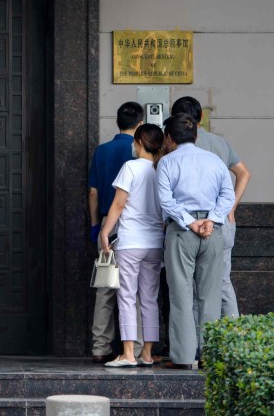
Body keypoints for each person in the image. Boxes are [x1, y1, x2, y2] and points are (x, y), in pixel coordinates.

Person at [156, 113, 235, 369]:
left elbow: (165, 201)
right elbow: (227, 195)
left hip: (182, 232)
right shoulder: (214, 161)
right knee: (210, 297)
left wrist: (190, 222)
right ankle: (208, 356)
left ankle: (183, 358)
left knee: (181, 296)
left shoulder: (167, 163)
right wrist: (211, 219)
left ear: (168, 137)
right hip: (212, 233)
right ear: (196, 135)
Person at [170, 96, 252, 318]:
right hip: (220, 222)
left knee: (194, 287)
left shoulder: (175, 147)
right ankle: (233, 339)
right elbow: (244, 173)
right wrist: (230, 208)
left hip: (188, 225)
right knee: (223, 282)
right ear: (202, 117)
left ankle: (198, 345)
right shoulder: (220, 142)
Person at [99, 123, 166, 368]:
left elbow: (118, 205)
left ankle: (128, 353)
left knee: (127, 296)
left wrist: (106, 231)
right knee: (150, 298)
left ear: (138, 142)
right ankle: (147, 353)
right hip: (155, 242)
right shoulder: (163, 168)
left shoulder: (130, 167)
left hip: (130, 241)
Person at [87, 101, 144, 363]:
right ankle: (139, 347)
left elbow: (94, 192)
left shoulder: (102, 151)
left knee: (105, 287)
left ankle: (100, 346)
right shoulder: (141, 152)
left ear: (117, 121)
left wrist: (95, 226)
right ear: (140, 123)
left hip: (106, 228)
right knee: (136, 289)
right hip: (135, 227)